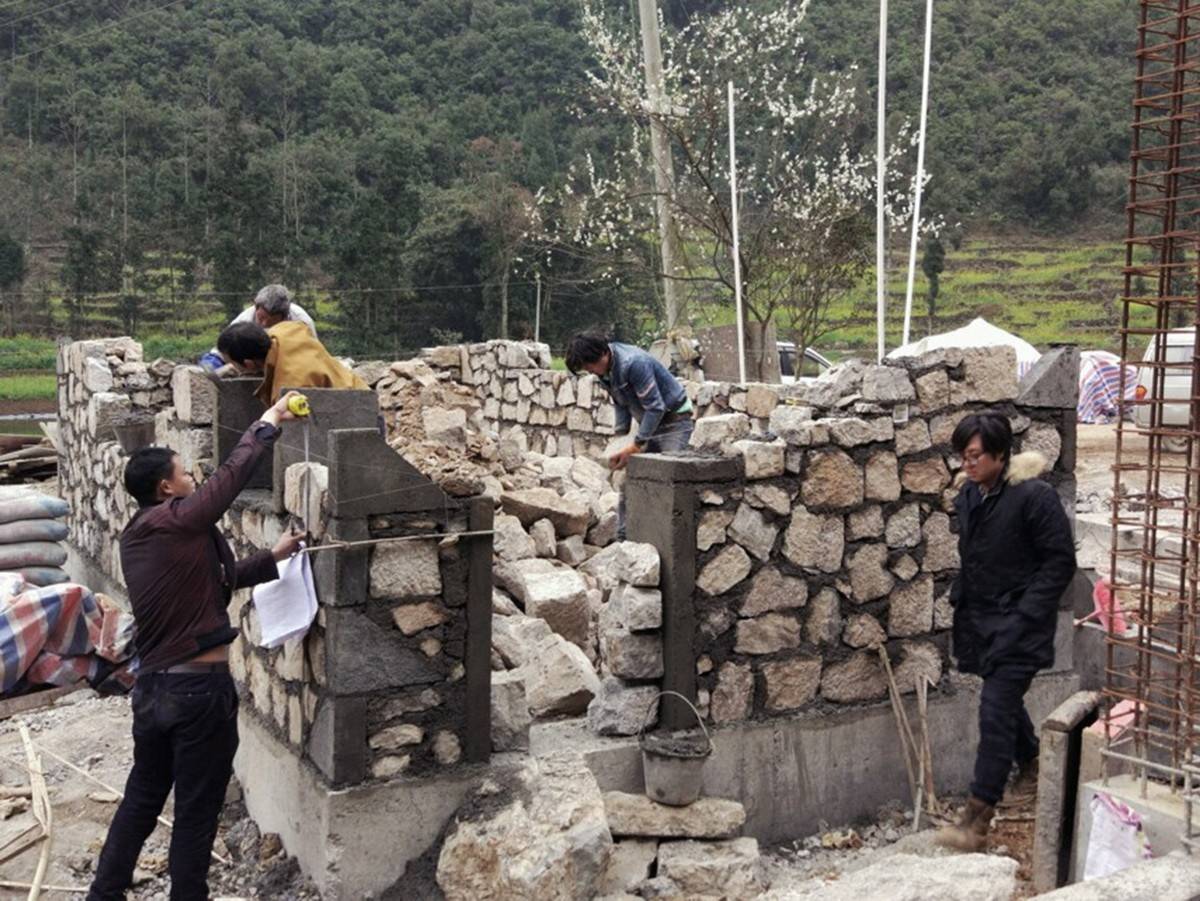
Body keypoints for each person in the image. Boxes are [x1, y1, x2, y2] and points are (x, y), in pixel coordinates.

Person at [86, 392, 306, 900]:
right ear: (166, 488)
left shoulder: (145, 535)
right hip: (196, 695)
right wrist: (268, 420)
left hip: (155, 693)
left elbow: (217, 580)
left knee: (143, 798)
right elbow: (227, 482)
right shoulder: (175, 519)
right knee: (196, 811)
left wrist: (273, 556)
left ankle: (104, 893)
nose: (194, 479)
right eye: (185, 474)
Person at [935, 411, 1076, 852]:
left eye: (975, 455)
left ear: (1000, 454)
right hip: (981, 624)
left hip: (1020, 627)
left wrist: (1024, 615)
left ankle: (976, 821)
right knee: (1003, 702)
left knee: (994, 712)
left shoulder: (1034, 497)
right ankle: (1032, 761)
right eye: (963, 456)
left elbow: (1060, 563)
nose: (967, 464)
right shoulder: (971, 496)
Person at [565, 331, 694, 540]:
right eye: (585, 367)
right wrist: (620, 438)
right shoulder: (604, 371)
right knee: (632, 484)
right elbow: (621, 402)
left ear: (603, 353)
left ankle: (674, 543)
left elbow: (655, 407)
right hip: (651, 425)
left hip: (675, 422)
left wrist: (636, 445)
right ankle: (624, 541)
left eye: (590, 365)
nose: (589, 370)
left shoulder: (634, 363)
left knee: (670, 481)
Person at [217, 319, 368, 406]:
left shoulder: (289, 387)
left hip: (357, 410)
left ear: (249, 364)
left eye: (233, 363)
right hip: (359, 389)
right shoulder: (285, 330)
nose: (232, 367)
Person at [198, 284, 316, 371]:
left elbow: (312, 354)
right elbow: (219, 353)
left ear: (284, 316)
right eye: (261, 318)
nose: (264, 324)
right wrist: (209, 368)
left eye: (271, 323)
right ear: (255, 306)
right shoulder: (244, 320)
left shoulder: (301, 322)